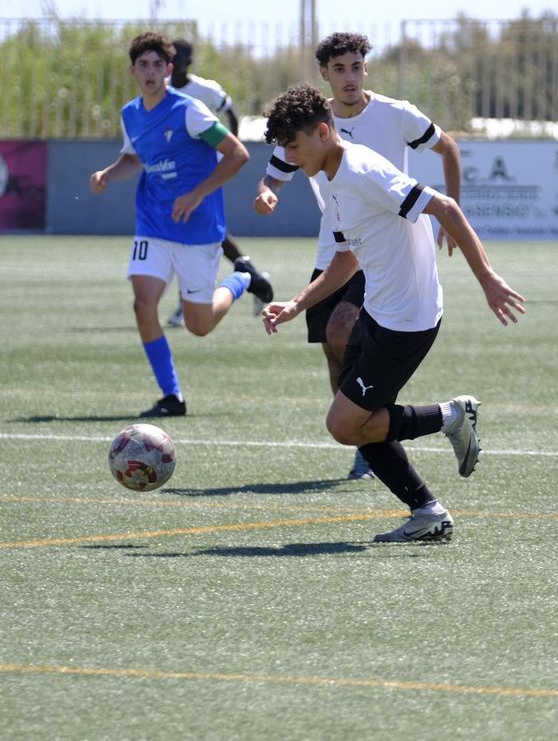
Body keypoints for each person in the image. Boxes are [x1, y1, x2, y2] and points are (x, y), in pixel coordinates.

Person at [259, 85, 523, 543]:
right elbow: (346, 259)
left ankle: (450, 417)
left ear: (323, 132)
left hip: (408, 320)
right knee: (359, 422)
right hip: (380, 310)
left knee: (343, 425)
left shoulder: (362, 172)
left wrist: (488, 280)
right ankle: (428, 512)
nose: (288, 156)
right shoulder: (332, 178)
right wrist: (298, 302)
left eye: (294, 145)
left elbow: (445, 206)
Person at [253, 32, 463, 480]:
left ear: (365, 68)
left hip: (380, 247)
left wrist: (451, 215)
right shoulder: (306, 123)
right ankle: (362, 430)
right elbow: (275, 174)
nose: (349, 77)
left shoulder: (395, 115)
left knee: (343, 328)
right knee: (334, 348)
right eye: (339, 69)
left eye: (356, 66)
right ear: (325, 74)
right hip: (338, 246)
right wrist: (267, 194)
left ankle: (367, 429)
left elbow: (449, 150)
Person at [91, 32, 271, 418]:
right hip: (153, 222)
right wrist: (108, 173)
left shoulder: (189, 111)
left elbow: (236, 154)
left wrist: (197, 193)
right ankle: (172, 396)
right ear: (133, 71)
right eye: (144, 65)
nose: (151, 72)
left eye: (159, 65)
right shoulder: (131, 114)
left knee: (199, 325)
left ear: (169, 70)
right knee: (143, 305)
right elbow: (133, 158)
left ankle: (241, 279)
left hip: (198, 226)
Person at [165, 39, 271, 329]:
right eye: (171, 58)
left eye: (181, 58)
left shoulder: (204, 90)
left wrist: (228, 151)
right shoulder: (162, 90)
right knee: (210, 234)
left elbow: (231, 112)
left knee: (187, 232)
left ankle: (188, 302)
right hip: (175, 172)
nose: (175, 63)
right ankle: (252, 278)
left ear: (189, 62)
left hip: (202, 172)